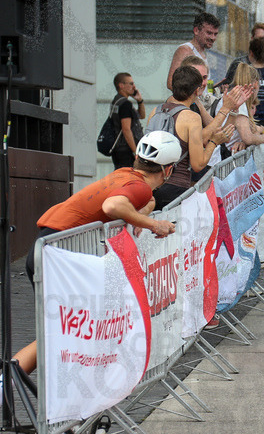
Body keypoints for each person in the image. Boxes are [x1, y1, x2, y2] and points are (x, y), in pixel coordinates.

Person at [12, 131, 181, 376]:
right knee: (61, 332)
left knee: (68, 330)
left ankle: (16, 382)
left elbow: (141, 201)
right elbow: (112, 206)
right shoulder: (141, 187)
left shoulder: (125, 175)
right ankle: (8, 382)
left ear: (137, 159)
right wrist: (154, 224)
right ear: (168, 169)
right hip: (58, 255)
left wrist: (140, 215)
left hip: (49, 248)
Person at [150, 65, 248, 209]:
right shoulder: (191, 117)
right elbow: (198, 164)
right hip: (176, 190)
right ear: (196, 91)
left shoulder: (156, 111)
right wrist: (214, 142)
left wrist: (230, 110)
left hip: (151, 188)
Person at [212, 61, 264, 159]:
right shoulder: (239, 102)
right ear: (256, 84)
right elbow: (248, 137)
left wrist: (262, 132)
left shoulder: (233, 97)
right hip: (224, 157)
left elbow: (255, 131)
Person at [222, 22, 264, 91]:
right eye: (258, 39)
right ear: (252, 40)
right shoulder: (238, 64)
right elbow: (227, 89)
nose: (261, 43)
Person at [166, 12, 219, 91]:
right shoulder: (185, 50)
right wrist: (193, 97)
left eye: (215, 34)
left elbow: (203, 88)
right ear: (196, 30)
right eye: (209, 33)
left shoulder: (203, 53)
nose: (213, 38)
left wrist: (215, 89)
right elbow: (171, 83)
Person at [110, 72, 146, 169]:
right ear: (121, 85)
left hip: (119, 150)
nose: (134, 87)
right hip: (126, 151)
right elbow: (126, 129)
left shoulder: (116, 101)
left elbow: (142, 115)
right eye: (131, 83)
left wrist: (139, 101)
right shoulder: (125, 104)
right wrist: (136, 152)